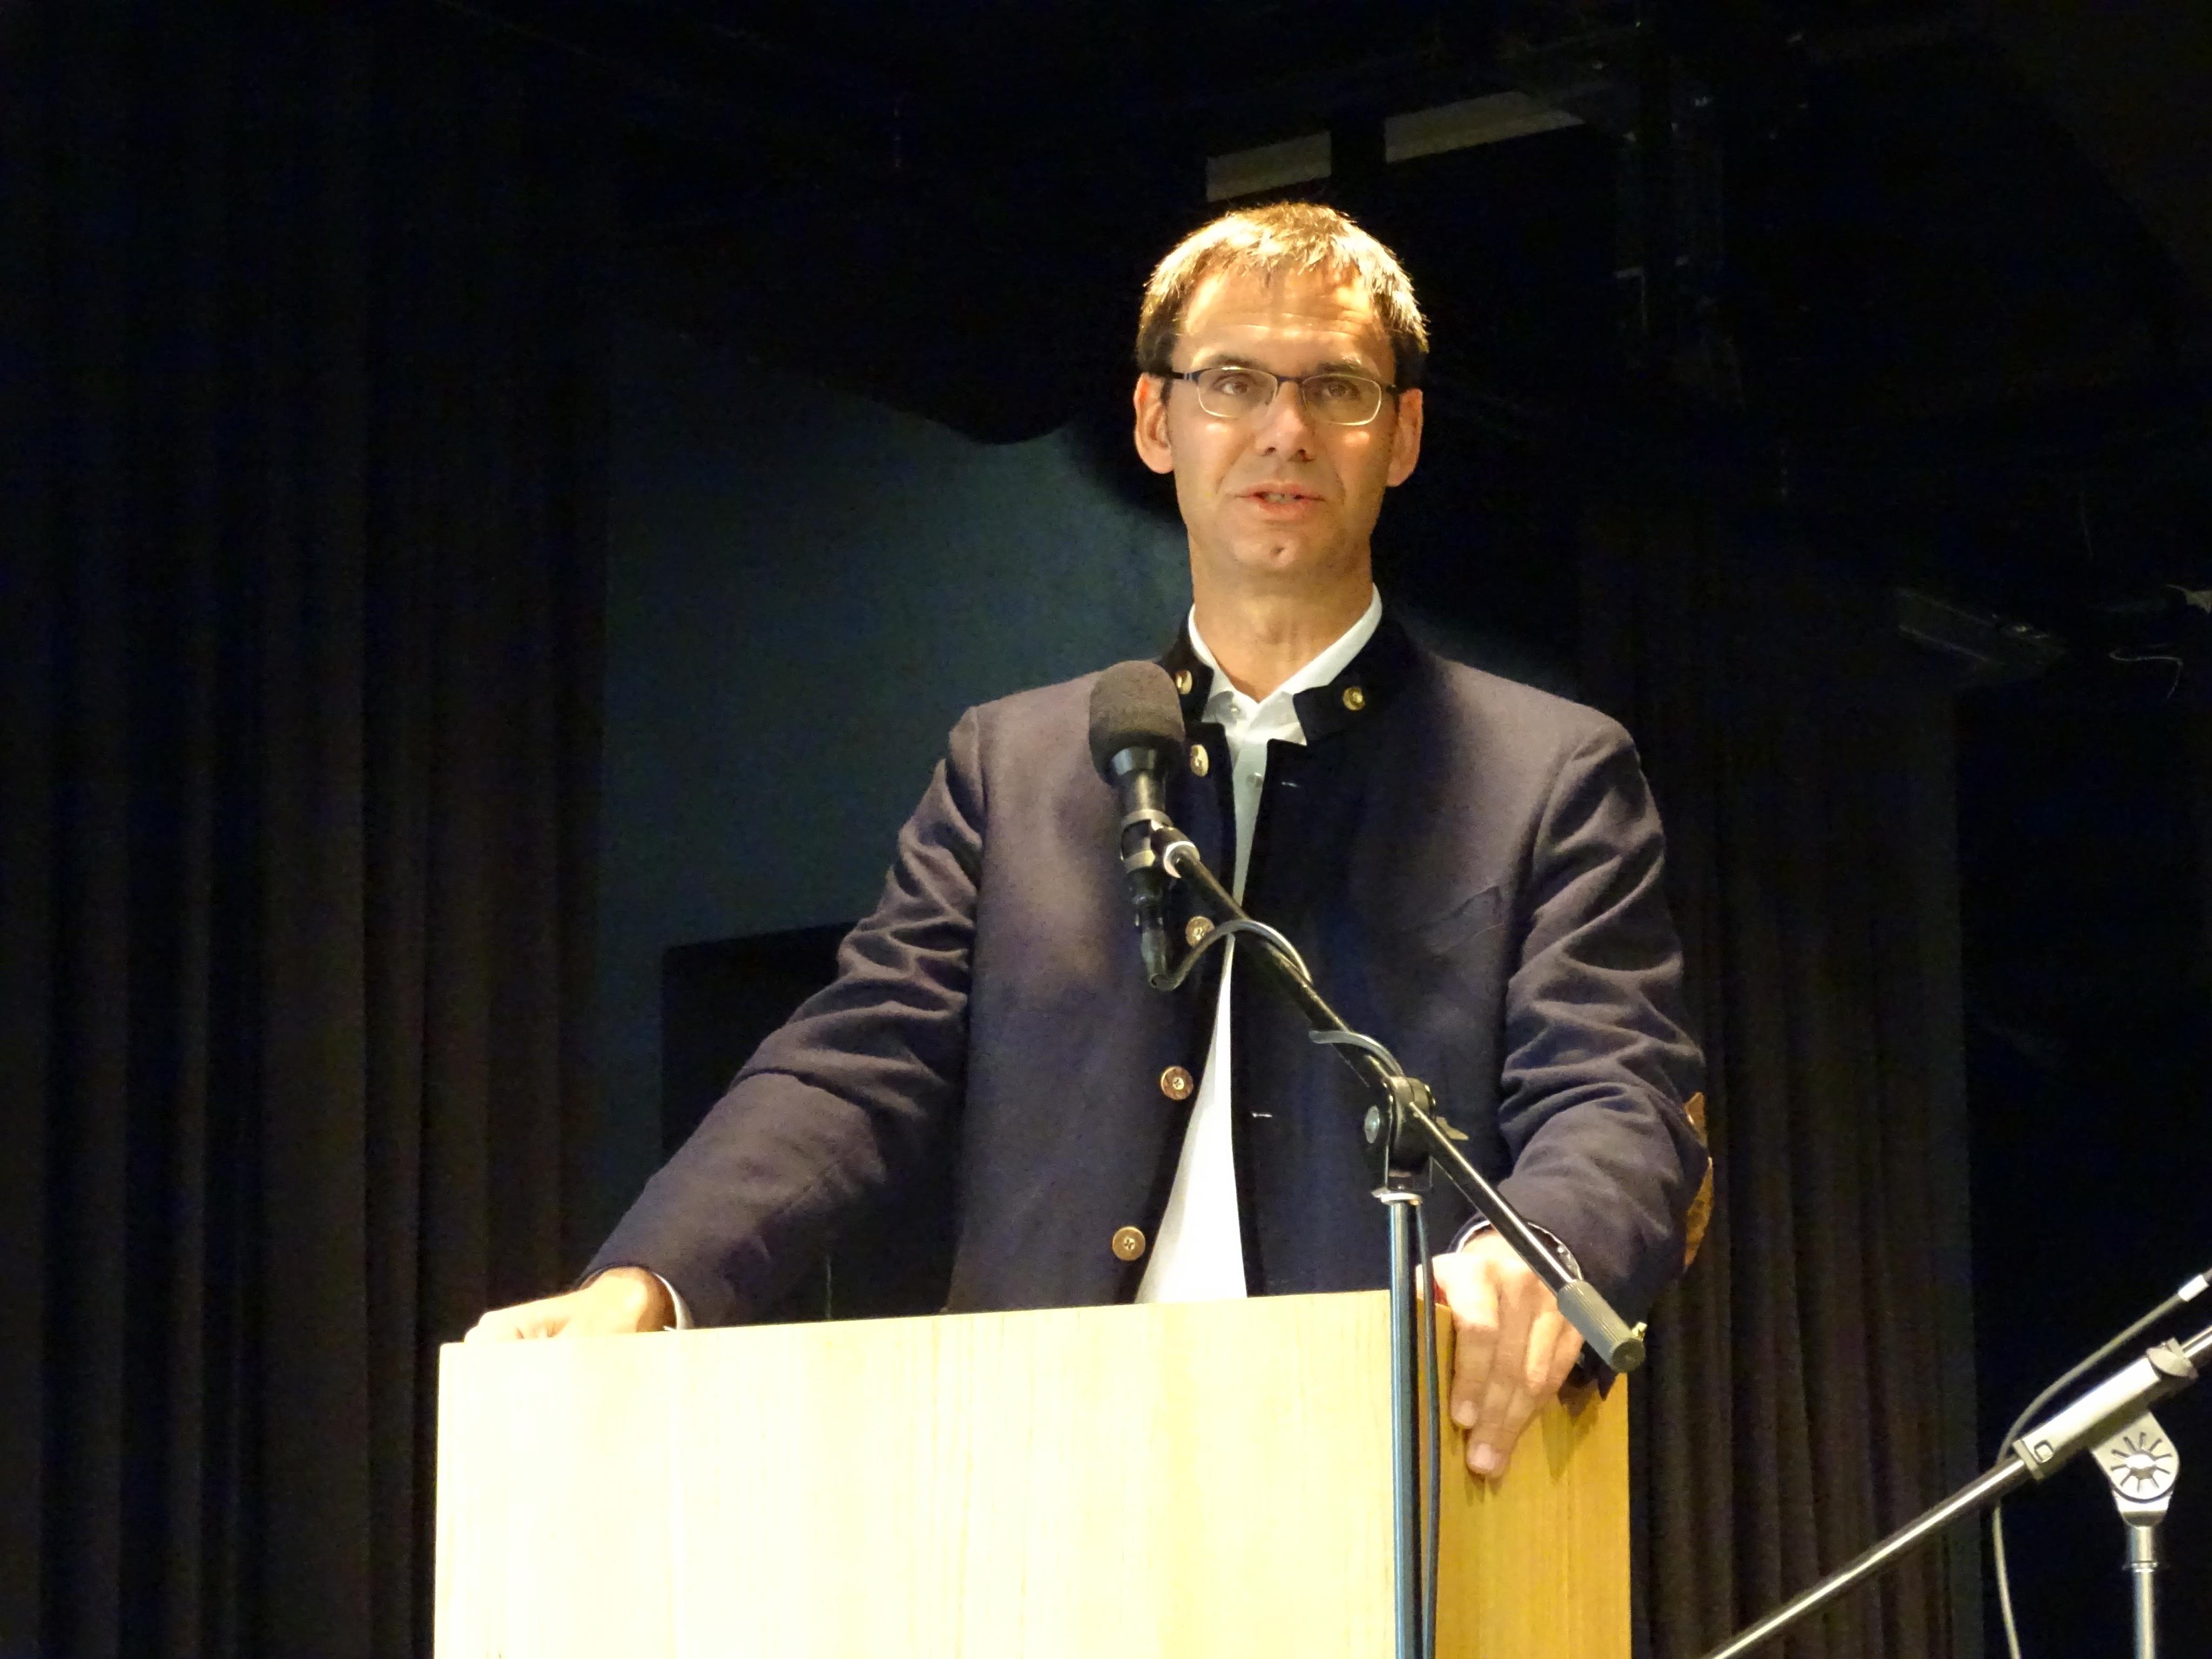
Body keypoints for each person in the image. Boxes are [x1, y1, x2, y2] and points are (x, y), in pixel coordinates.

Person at [471, 202, 1709, 1482]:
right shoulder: (1014, 769)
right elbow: (854, 1067)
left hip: (1397, 1454)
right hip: (1044, 1466)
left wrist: (1537, 1251)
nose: (1283, 430)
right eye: (1232, 382)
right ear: (1154, 421)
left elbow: (1615, 1095)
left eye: (1335, 388)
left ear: (1400, 437)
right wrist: (647, 1280)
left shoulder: (1544, 773)